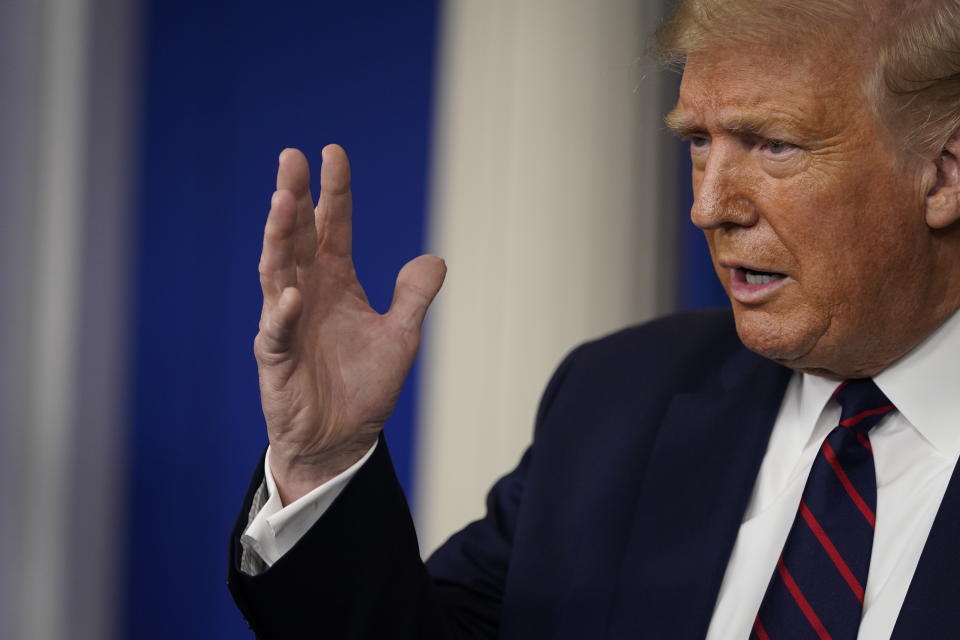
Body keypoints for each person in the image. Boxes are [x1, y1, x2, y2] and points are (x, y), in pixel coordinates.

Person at [228, 0, 960, 637]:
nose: (708, 207)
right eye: (698, 142)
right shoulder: (617, 398)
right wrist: (323, 462)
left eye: (773, 145)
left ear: (944, 173)